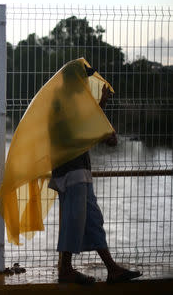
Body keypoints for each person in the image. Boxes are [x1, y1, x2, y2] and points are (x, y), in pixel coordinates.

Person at [48, 63, 142, 285]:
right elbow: (74, 136)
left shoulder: (72, 101)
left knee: (92, 220)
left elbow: (84, 127)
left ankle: (112, 269)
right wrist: (100, 134)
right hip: (71, 171)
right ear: (74, 81)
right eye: (83, 78)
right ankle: (66, 269)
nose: (86, 83)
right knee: (75, 219)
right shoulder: (63, 102)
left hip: (80, 170)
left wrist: (101, 106)